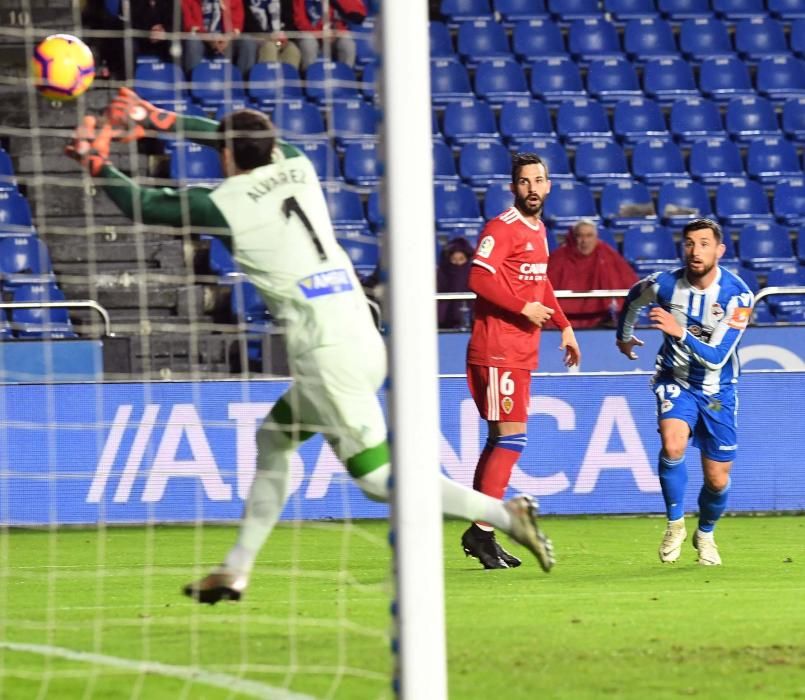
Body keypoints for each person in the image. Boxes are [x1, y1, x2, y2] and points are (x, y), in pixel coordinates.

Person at [64, 88, 557, 603]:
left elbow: (145, 203)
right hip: (360, 332)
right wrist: (158, 119)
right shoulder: (296, 164)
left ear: (226, 156)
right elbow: (228, 137)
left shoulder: (224, 204)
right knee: (274, 439)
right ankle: (235, 568)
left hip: (324, 353)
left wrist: (97, 163)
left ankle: (503, 513)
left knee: (378, 480)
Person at [462, 153, 581, 570]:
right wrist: (521, 309)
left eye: (539, 180)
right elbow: (478, 277)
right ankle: (481, 530)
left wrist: (563, 325)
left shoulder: (539, 229)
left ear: (549, 186)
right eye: (524, 181)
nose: (532, 188)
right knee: (511, 439)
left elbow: (540, 280)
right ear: (513, 187)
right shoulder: (502, 227)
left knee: (501, 440)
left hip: (519, 351)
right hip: (497, 348)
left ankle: (483, 534)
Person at [615, 218, 754, 566]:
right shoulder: (663, 284)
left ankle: (705, 532)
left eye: (705, 244)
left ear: (719, 250)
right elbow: (633, 298)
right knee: (672, 443)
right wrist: (624, 335)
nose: (696, 251)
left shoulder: (738, 296)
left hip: (718, 390)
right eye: (690, 243)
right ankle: (675, 523)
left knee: (717, 479)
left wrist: (680, 333)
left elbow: (716, 358)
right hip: (674, 379)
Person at [547, 218, 638, 329]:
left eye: (589, 235)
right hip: (562, 325)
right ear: (573, 238)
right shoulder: (558, 258)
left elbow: (629, 283)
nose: (584, 241)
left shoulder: (608, 255)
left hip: (603, 322)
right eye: (580, 236)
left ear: (596, 238)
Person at [181, 0, 257, 77]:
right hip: (202, 39)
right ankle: (193, 83)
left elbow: (237, 24)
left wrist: (227, 38)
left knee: (247, 42)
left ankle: (241, 84)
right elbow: (189, 25)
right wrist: (208, 38)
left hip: (227, 40)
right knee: (191, 42)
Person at [290, 0, 366, 69]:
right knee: (308, 42)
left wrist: (335, 32)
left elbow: (359, 13)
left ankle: (345, 76)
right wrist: (320, 33)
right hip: (312, 35)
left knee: (347, 42)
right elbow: (300, 21)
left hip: (334, 35)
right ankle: (310, 78)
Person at [242, 0, 303, 69]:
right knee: (270, 47)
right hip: (257, 38)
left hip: (278, 41)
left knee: (292, 50)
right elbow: (248, 24)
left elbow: (289, 21)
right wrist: (268, 36)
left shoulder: (283, 2)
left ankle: (288, 78)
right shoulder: (246, 2)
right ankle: (268, 78)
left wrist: (283, 35)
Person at [437, 236, 475, 330]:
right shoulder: (441, 274)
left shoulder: (472, 274)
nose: (458, 263)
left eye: (461, 259)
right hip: (445, 324)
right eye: (454, 259)